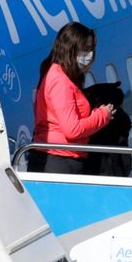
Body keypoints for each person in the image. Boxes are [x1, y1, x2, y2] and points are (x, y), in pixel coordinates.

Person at [28, 22, 116, 174]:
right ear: (70, 49)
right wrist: (103, 115)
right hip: (58, 162)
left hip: (61, 157)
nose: (90, 55)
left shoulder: (61, 75)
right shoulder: (60, 80)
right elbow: (72, 130)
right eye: (86, 49)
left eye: (92, 50)